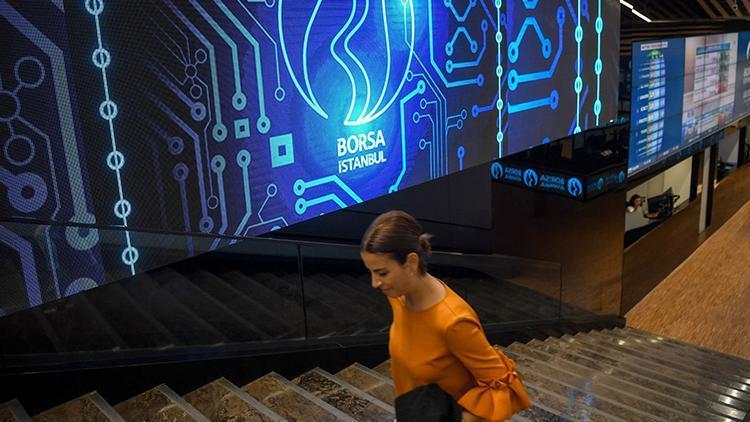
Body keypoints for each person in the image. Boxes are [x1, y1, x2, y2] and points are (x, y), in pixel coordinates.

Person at [360, 211, 531, 421]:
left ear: (411, 263)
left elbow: (502, 386)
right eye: (371, 271)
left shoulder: (454, 322)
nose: (374, 283)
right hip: (411, 410)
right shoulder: (398, 296)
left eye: (382, 273)